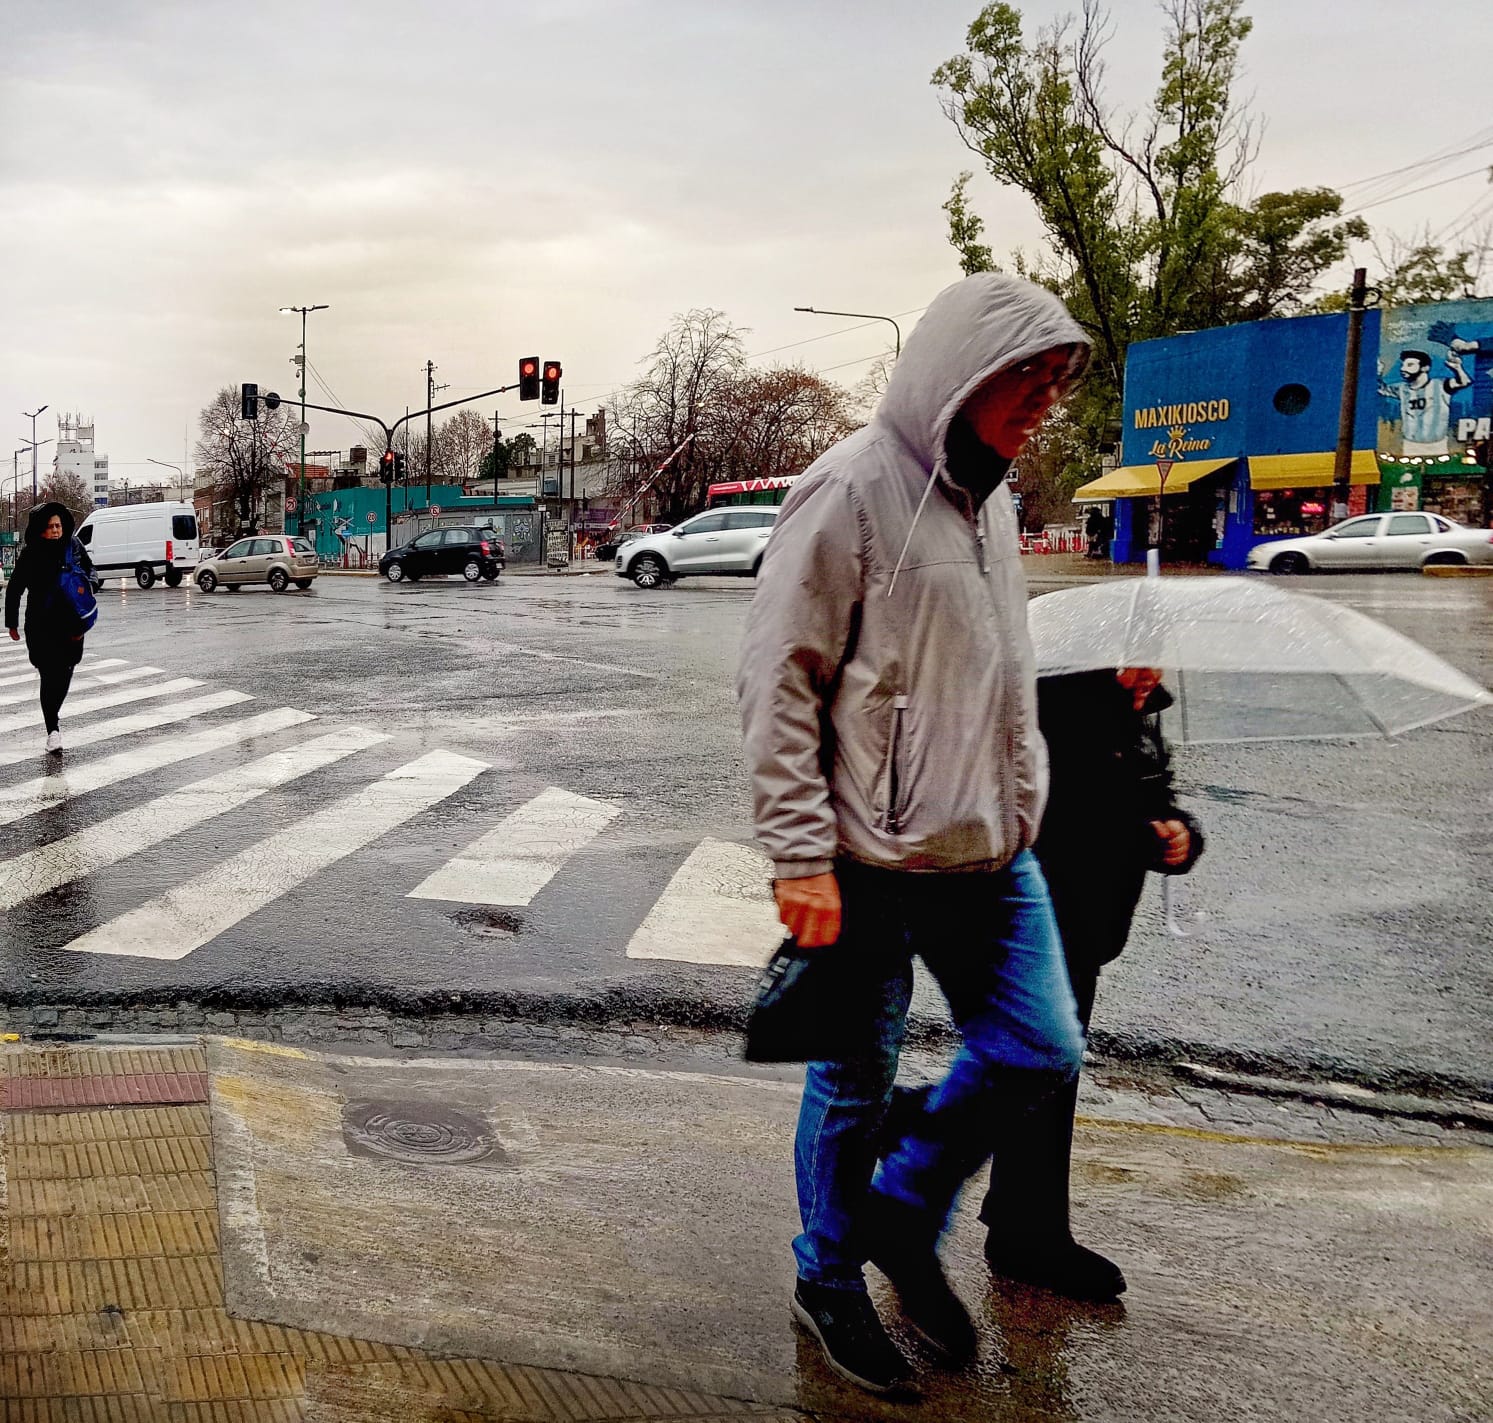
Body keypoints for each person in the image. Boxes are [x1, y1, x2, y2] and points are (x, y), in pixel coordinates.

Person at [737, 273, 1091, 1394]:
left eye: (1055, 380)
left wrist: (1023, 796)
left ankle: (901, 1210)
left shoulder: (993, 501)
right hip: (867, 854)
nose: (1043, 399)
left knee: (1040, 1046)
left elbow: (994, 674)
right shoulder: (848, 490)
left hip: (990, 849)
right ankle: (827, 1278)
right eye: (1026, 376)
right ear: (960, 374)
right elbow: (778, 680)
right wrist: (799, 855)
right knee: (853, 1081)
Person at [978, 666, 1203, 1301]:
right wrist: (1141, 834)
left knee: (1036, 1069)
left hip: (1085, 919)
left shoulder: (1133, 711)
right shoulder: (1052, 709)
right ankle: (1027, 1233)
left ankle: (950, 1185)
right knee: (1045, 1068)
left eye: (1154, 657)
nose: (1148, 672)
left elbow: (1151, 794)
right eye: (1133, 660)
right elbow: (1057, 818)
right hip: (1037, 913)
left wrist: (1178, 833)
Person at [4, 501, 96, 754]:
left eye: (58, 525)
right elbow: (15, 589)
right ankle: (52, 729)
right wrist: (11, 622)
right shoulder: (31, 554)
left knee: (65, 674)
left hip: (71, 623)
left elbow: (90, 570)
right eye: (50, 527)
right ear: (40, 530)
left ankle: (53, 715)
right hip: (40, 625)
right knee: (49, 674)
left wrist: (89, 587)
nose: (56, 530)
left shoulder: (73, 546)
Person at [1378, 348, 1470, 457]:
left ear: (1425, 368)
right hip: (1410, 445)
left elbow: (1464, 382)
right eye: (1403, 365)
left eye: (1410, 365)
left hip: (1437, 445)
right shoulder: (1401, 389)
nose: (1403, 369)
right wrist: (1378, 373)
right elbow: (1381, 389)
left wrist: (1457, 368)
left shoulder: (1441, 385)